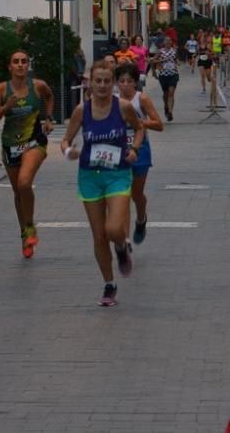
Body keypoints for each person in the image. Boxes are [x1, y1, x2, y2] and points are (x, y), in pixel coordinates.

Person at [60, 61, 145, 307]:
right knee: (98, 236)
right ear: (90, 82)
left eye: (107, 81)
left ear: (114, 83)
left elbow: (139, 130)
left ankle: (121, 247)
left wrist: (134, 149)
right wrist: (69, 152)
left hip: (117, 174)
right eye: (98, 81)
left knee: (114, 229)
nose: (102, 86)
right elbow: (65, 140)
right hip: (90, 177)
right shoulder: (81, 110)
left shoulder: (124, 107)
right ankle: (109, 284)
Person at [0, 50, 54, 259]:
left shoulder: (38, 86)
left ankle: (30, 226)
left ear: (28, 66)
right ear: (9, 67)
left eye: (24, 61)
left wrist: (49, 117)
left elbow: (49, 96)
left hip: (34, 142)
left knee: (25, 183)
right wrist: (6, 107)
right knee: (18, 192)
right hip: (10, 145)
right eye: (15, 62)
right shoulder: (1, 89)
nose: (20, 65)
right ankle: (25, 233)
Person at [115, 64, 164, 245]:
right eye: (122, 81)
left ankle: (141, 218)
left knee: (136, 194)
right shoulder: (113, 100)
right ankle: (125, 239)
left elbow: (159, 124)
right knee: (123, 195)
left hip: (140, 149)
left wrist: (139, 122)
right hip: (119, 151)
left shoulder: (141, 98)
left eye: (129, 81)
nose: (125, 85)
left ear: (136, 83)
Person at [152, 36, 180, 122]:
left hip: (173, 74)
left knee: (171, 93)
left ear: (171, 42)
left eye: (169, 41)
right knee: (166, 94)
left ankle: (170, 113)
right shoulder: (160, 51)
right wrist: (162, 60)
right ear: (164, 42)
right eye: (166, 41)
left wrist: (177, 63)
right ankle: (166, 107)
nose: (168, 42)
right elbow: (153, 61)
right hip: (163, 75)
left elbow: (176, 60)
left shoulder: (174, 51)